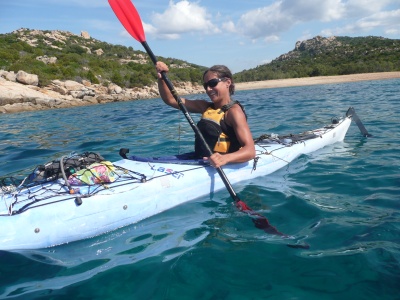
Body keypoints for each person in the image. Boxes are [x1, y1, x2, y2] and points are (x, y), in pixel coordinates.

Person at [155, 61, 255, 169]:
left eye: (212, 83)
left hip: (223, 163)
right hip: (200, 160)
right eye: (205, 85)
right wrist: (162, 78)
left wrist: (225, 159)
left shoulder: (234, 112)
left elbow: (250, 151)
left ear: (228, 82)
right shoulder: (204, 107)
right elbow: (170, 100)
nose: (208, 89)